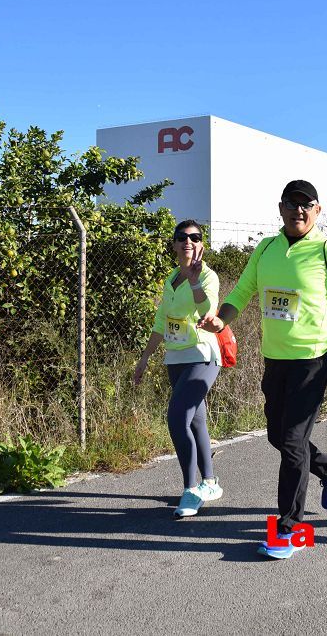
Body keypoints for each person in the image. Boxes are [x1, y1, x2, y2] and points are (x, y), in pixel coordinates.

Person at [198, 180, 327, 559]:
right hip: (276, 357)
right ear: (281, 208)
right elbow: (241, 293)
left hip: (314, 357)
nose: (299, 211)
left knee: (291, 442)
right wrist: (220, 321)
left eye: (307, 206)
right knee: (277, 434)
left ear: (318, 211)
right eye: (293, 204)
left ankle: (289, 528)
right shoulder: (267, 248)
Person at [134, 220, 224, 519]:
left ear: (202, 244)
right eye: (182, 237)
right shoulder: (171, 278)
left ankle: (191, 489)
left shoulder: (208, 276)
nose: (188, 241)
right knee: (196, 421)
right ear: (173, 244)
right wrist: (145, 357)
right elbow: (162, 322)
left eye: (195, 237)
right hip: (175, 357)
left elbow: (207, 312)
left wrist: (195, 281)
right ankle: (210, 483)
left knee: (177, 417)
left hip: (202, 355)